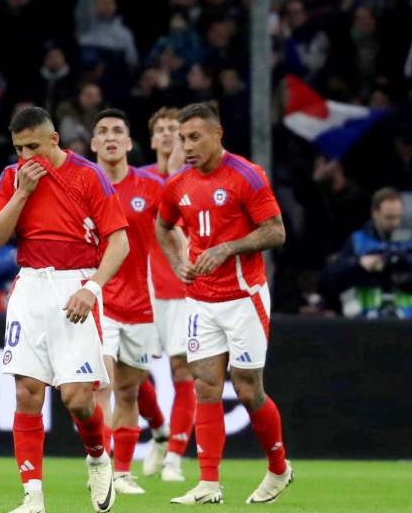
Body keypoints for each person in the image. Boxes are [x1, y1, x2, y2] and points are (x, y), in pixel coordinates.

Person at [0, 106, 130, 513]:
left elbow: (119, 243)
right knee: (26, 392)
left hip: (76, 285)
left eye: (33, 146)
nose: (25, 156)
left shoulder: (88, 175)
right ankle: (32, 498)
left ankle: (98, 457)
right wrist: (22, 193)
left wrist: (92, 289)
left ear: (54, 140)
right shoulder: (12, 178)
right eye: (18, 149)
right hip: (30, 285)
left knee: (78, 399)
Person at [155, 102, 292, 505]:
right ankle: (208, 484)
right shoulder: (177, 184)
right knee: (205, 386)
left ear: (217, 135)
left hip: (244, 297)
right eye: (182, 139)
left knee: (248, 389)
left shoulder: (246, 175)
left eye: (194, 137)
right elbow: (163, 226)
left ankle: (279, 469)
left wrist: (228, 247)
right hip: (201, 299)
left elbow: (276, 232)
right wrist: (178, 262)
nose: (187, 146)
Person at [89, 109, 170, 495]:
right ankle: (102, 466)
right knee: (101, 385)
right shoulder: (83, 185)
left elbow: (174, 230)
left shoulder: (151, 187)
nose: (110, 136)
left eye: (117, 131)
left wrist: (186, 265)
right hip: (99, 301)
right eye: (103, 131)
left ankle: (122, 472)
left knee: (128, 391)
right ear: (93, 143)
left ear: (128, 142)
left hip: (142, 305)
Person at [139, 108, 196, 481]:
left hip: (182, 288)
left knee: (182, 370)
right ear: (151, 139)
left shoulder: (193, 181)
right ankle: (159, 430)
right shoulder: (138, 179)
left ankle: (174, 455)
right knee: (132, 373)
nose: (166, 134)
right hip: (142, 289)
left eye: (174, 129)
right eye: (160, 129)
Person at [326, 188, 412, 319]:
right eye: (389, 217)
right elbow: (333, 276)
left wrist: (403, 279)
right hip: (368, 319)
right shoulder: (358, 241)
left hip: (409, 320)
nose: (395, 223)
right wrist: (360, 263)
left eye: (398, 217)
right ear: (375, 214)